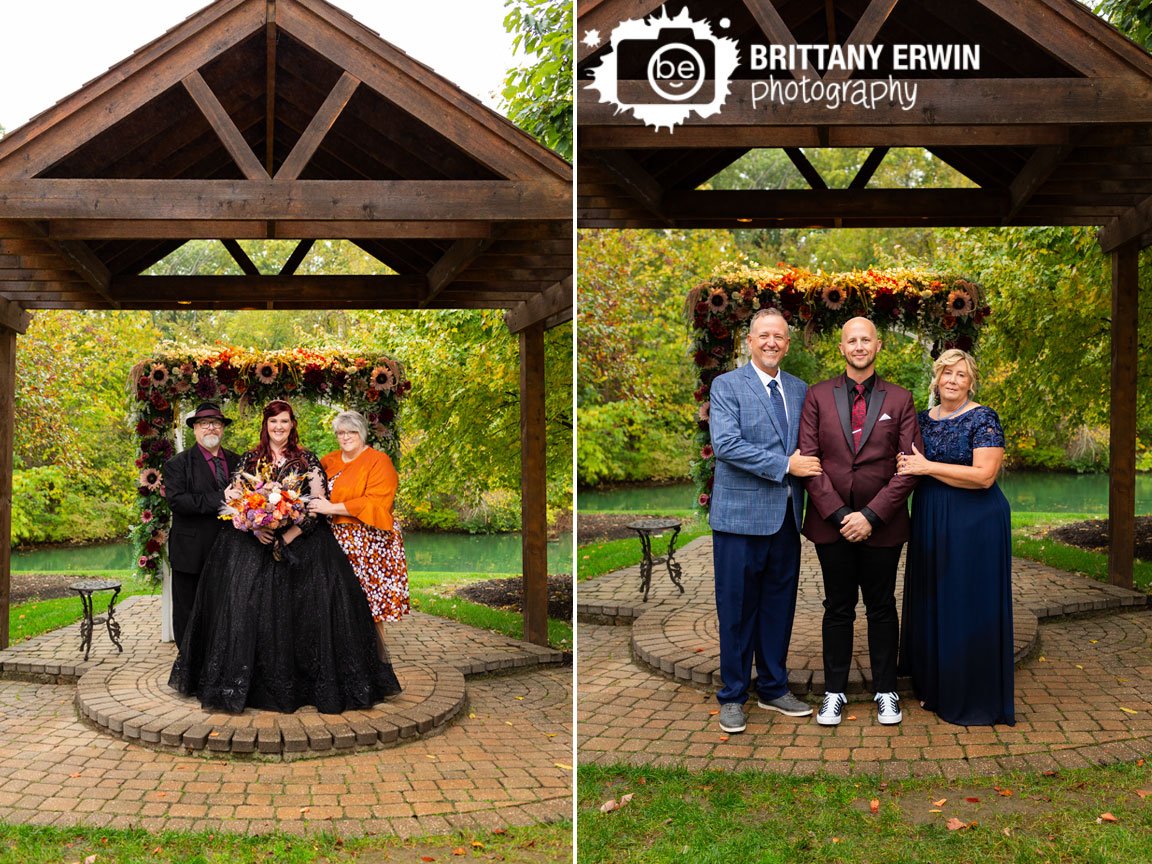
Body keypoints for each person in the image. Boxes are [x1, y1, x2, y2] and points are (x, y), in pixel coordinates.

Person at [169, 400, 401, 714]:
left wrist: (289, 536)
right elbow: (236, 501)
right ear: (265, 425)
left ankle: (306, 683)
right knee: (247, 610)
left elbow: (317, 505)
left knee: (307, 613)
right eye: (273, 422)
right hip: (253, 546)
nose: (279, 427)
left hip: (303, 544)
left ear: (292, 425)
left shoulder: (307, 459)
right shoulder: (250, 458)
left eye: (285, 422)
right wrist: (254, 528)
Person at [798, 317, 922, 726]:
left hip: (882, 524)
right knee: (837, 607)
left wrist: (870, 515)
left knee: (882, 607)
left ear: (878, 345)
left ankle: (886, 690)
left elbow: (909, 467)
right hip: (829, 522)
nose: (858, 346)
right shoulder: (816, 396)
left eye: (865, 339)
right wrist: (838, 515)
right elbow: (809, 462)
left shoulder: (901, 400)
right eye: (851, 340)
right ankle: (834, 692)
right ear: (841, 348)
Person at [707, 308, 822, 734]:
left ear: (787, 344)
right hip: (739, 520)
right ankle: (733, 695)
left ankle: (773, 687)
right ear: (750, 341)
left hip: (786, 520)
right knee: (736, 610)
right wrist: (785, 465)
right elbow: (726, 445)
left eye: (780, 336)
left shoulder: (799, 389)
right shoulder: (727, 386)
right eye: (764, 335)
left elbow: (812, 448)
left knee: (778, 609)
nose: (772, 342)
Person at [897, 349, 1015, 726]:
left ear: (971, 381)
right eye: (947, 373)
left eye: (961, 375)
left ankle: (971, 693)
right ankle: (935, 685)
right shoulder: (921, 419)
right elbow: (905, 464)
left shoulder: (983, 418)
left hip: (974, 520)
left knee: (967, 601)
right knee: (936, 596)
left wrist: (927, 467)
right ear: (936, 378)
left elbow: (984, 476)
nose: (952, 380)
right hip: (932, 515)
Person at [310, 411, 410, 651]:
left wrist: (330, 507)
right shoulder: (329, 460)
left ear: (362, 432)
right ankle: (344, 660)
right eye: (341, 433)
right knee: (337, 601)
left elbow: (376, 502)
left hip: (369, 542)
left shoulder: (378, 461)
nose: (345, 437)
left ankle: (379, 664)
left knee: (369, 605)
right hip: (335, 539)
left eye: (351, 431)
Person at [162, 402, 240, 646]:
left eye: (216, 423)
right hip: (191, 552)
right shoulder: (177, 464)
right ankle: (188, 663)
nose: (211, 428)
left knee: (226, 608)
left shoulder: (239, 461)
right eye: (204, 424)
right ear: (194, 429)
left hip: (230, 549)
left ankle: (221, 661)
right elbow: (178, 502)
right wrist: (221, 498)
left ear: (223, 428)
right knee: (188, 609)